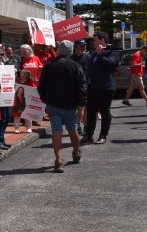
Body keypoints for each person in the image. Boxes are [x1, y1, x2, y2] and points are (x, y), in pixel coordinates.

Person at [38, 40, 86, 172]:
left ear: (59, 50)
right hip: (70, 105)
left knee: (56, 131)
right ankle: (76, 152)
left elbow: (41, 86)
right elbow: (82, 88)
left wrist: (45, 99)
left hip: (53, 104)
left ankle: (59, 160)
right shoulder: (76, 66)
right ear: (71, 51)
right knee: (72, 130)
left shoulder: (49, 66)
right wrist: (81, 106)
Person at [83, 32, 121, 145]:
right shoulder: (93, 54)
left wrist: (101, 54)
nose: (93, 42)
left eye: (95, 40)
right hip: (92, 87)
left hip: (106, 88)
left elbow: (110, 64)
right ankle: (89, 135)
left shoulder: (112, 53)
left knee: (105, 112)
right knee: (90, 112)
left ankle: (103, 135)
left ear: (102, 40)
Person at [70, 39, 90, 133]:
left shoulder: (88, 57)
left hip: (86, 86)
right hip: (74, 87)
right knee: (77, 108)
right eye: (81, 46)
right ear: (76, 47)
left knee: (85, 108)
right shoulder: (71, 59)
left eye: (84, 46)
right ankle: (78, 124)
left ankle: (85, 126)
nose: (83, 48)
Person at [13, 69, 35, 134]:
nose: (22, 75)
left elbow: (33, 90)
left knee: (27, 115)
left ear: (27, 75)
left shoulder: (30, 82)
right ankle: (16, 128)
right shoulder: (17, 81)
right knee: (17, 115)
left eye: (24, 74)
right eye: (21, 73)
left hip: (27, 101)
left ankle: (29, 128)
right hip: (18, 101)